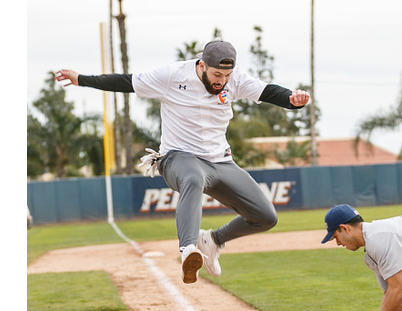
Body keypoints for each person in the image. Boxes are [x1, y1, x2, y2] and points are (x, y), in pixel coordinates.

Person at [55, 40, 310, 284]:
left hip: (220, 161)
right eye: (216, 76)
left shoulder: (235, 79)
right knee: (193, 178)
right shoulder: (172, 75)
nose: (221, 82)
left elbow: (268, 92)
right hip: (178, 157)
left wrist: (292, 99)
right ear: (201, 65)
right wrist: (81, 80)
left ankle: (212, 240)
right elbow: (127, 82)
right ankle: (189, 249)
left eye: (226, 77)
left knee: (265, 216)